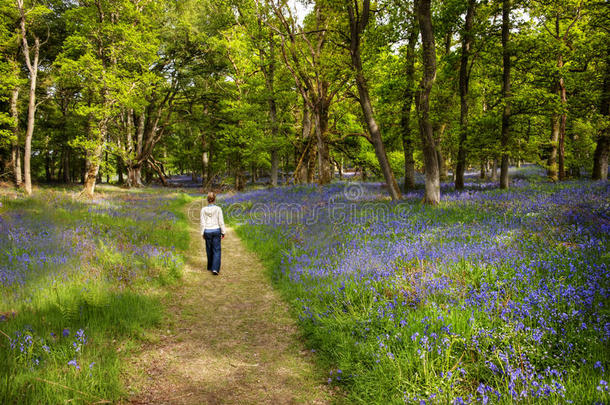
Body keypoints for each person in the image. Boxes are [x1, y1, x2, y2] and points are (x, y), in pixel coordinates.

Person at [200, 192, 225, 275]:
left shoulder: (203, 210)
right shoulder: (218, 209)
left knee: (209, 249)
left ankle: (210, 266)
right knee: (216, 250)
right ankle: (215, 268)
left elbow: (202, 222)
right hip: (216, 230)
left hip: (207, 231)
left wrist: (202, 232)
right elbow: (221, 221)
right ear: (214, 199)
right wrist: (223, 232)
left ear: (207, 200)